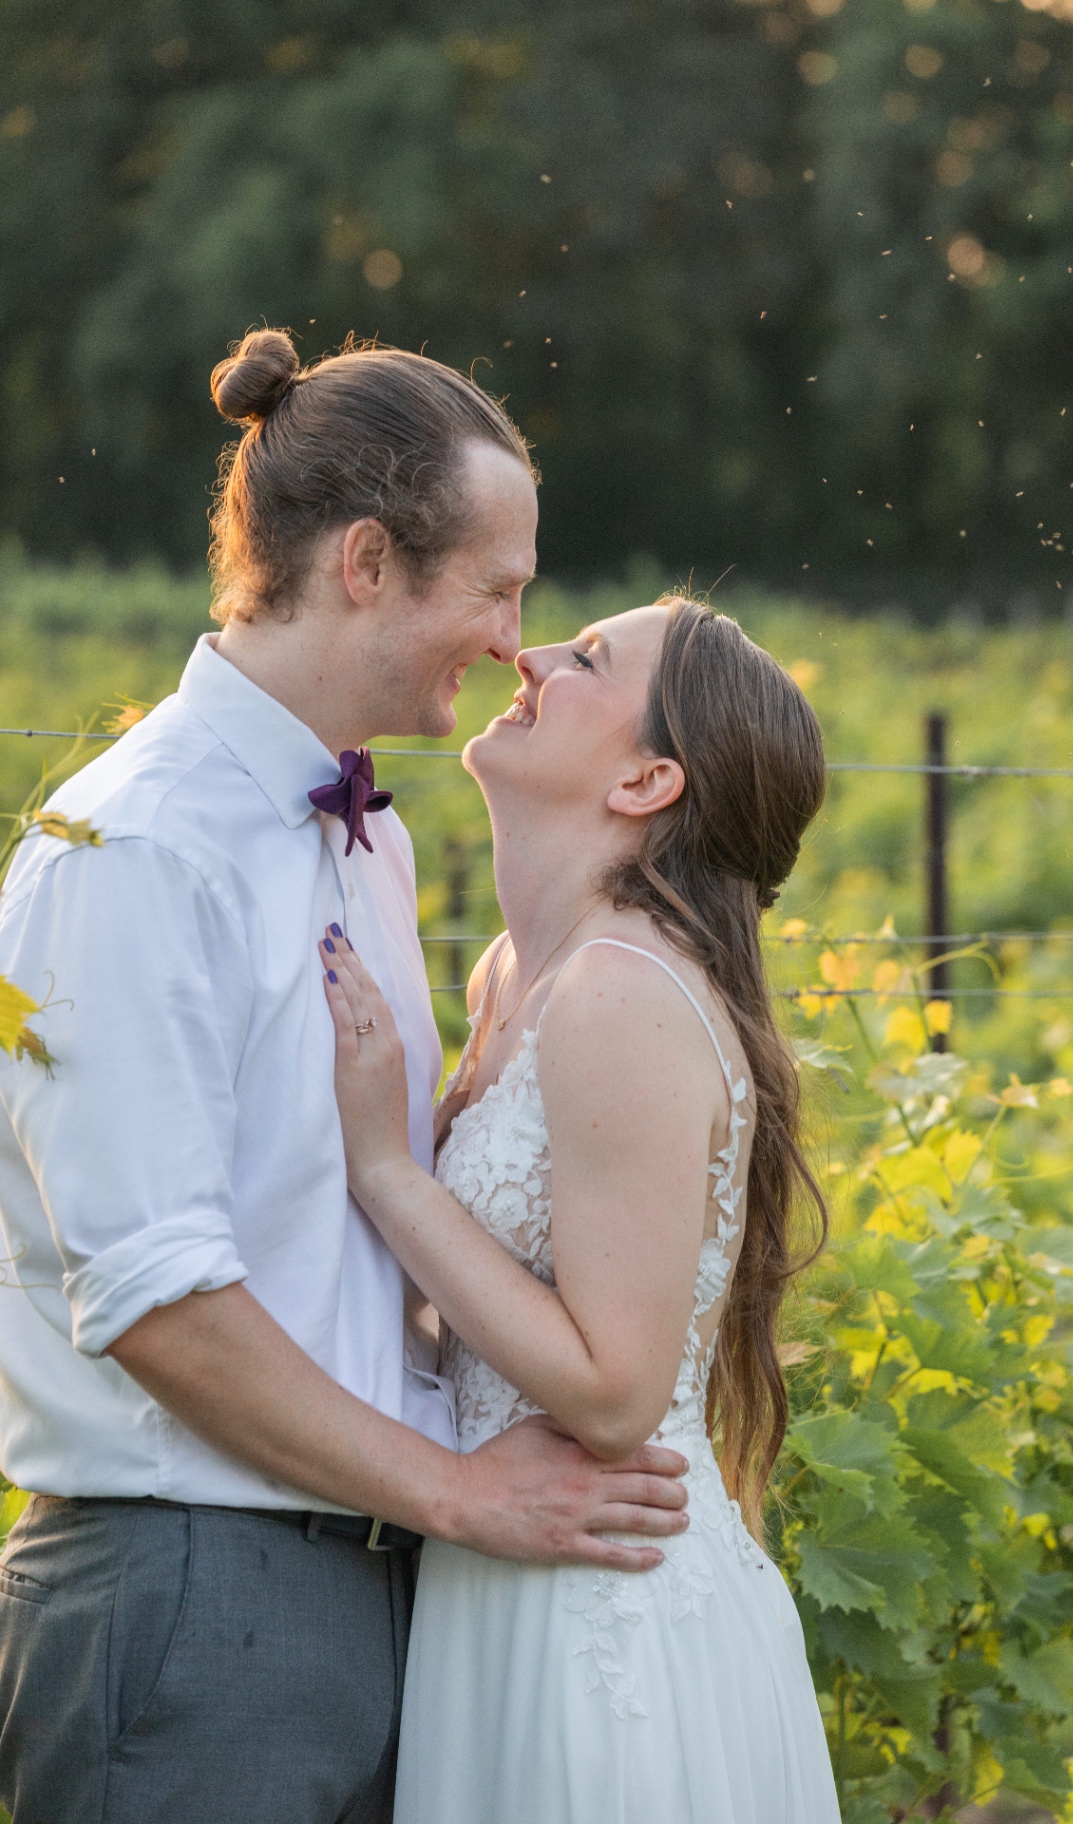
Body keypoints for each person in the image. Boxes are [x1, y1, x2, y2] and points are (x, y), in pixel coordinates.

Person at [0, 330, 690, 1824]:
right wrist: (458, 1491)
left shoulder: (364, 835)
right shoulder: (134, 851)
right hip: (190, 1590)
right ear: (368, 561)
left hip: (372, 1583)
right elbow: (153, 1296)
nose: (517, 638)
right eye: (497, 588)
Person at [318, 596, 844, 1823]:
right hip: (499, 1576)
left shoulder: (621, 992)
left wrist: (386, 1170)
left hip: (604, 1620)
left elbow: (614, 1391)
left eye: (588, 658)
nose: (530, 653)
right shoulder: (514, 975)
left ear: (648, 780)